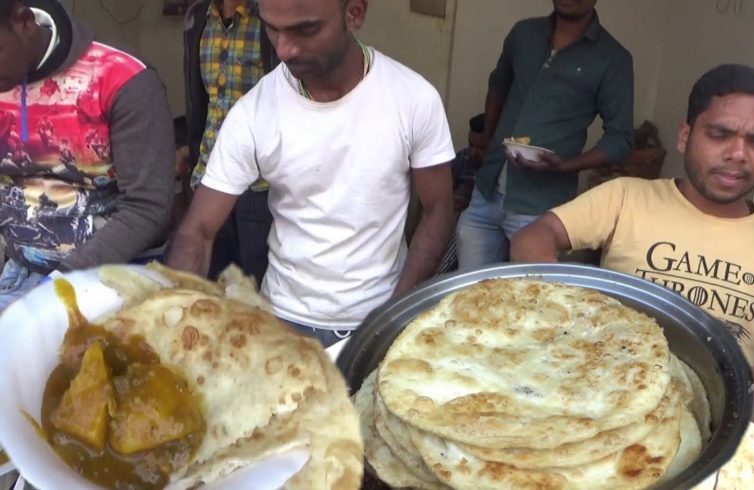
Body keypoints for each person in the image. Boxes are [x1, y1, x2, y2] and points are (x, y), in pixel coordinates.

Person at [511, 64, 754, 422]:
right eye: (720, 134)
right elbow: (534, 236)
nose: (738, 153)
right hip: (604, 408)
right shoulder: (625, 198)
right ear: (685, 136)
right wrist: (561, 302)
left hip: (714, 426)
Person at [167, 0, 455, 347]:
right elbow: (198, 230)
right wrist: (173, 317)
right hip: (282, 322)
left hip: (376, 319)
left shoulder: (414, 100)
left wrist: (394, 315)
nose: (285, 49)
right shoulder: (253, 114)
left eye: (305, 30)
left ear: (355, 13)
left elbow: (438, 209)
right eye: (273, 29)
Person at [0, 0, 174, 311]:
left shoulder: (124, 79)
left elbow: (147, 208)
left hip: (113, 283)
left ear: (24, 22)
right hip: (19, 276)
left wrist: (58, 283)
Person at [456, 0, 634, 270]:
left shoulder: (613, 58)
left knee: (529, 299)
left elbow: (621, 139)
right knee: (470, 289)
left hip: (540, 207)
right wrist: (487, 138)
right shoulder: (524, 34)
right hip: (488, 190)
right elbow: (498, 84)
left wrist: (565, 165)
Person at [183, 0, 279, 286]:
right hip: (209, 177)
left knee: (254, 291)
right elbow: (200, 99)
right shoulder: (198, 17)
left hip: (261, 185)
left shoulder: (272, 16)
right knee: (210, 289)